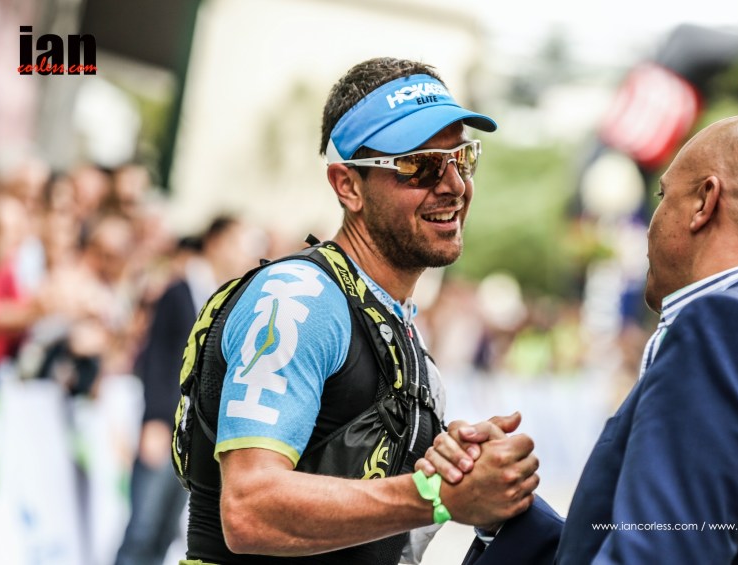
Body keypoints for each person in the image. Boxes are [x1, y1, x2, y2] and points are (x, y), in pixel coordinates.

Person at [421, 113, 738, 564]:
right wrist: (506, 514)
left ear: (705, 201)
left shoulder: (727, 325)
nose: (649, 225)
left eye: (662, 196)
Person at [180, 57, 540, 565]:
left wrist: (461, 473)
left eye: (462, 158)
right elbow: (250, 509)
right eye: (420, 165)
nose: (455, 185)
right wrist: (435, 494)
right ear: (347, 185)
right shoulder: (298, 298)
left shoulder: (396, 327)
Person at [115, 216, 260, 565]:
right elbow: (157, 358)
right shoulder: (179, 290)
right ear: (216, 242)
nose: (245, 254)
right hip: (164, 423)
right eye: (239, 244)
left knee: (166, 530)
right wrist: (154, 419)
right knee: (142, 528)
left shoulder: (225, 297)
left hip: (191, 436)